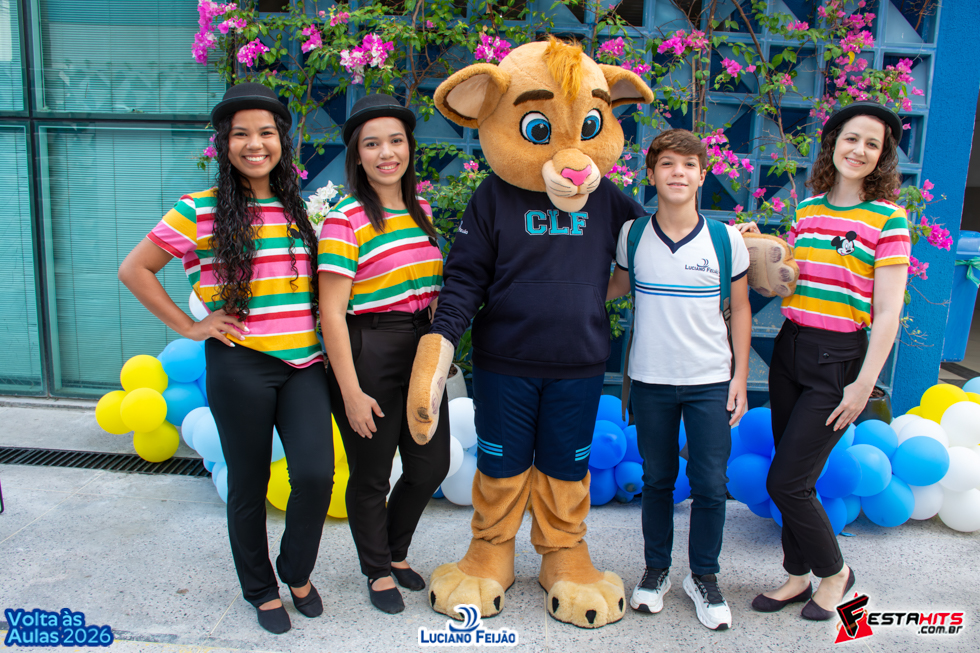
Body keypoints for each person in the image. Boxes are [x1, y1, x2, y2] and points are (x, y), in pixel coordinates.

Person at [118, 83, 333, 634]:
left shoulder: (298, 210)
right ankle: (260, 589)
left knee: (316, 474)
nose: (254, 144)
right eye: (241, 134)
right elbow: (135, 269)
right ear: (224, 143)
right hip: (241, 366)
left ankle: (296, 570)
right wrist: (190, 326)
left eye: (266, 133)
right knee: (249, 484)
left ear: (281, 141)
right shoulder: (198, 209)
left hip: (305, 366)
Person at [738, 101, 910, 620]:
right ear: (833, 143)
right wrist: (755, 246)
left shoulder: (888, 218)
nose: (859, 150)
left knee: (786, 482)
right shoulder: (809, 210)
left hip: (838, 361)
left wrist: (863, 384)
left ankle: (835, 574)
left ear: (881, 157)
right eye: (851, 138)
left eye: (872, 144)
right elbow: (788, 280)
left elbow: (888, 312)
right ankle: (796, 576)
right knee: (796, 478)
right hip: (790, 348)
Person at [606, 129, 751, 631]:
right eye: (667, 163)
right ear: (651, 174)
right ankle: (656, 571)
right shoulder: (632, 235)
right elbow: (616, 285)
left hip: (710, 380)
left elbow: (741, 309)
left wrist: (740, 377)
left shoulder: (725, 239)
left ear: (702, 176)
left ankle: (704, 577)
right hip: (650, 379)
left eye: (689, 165)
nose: (678, 173)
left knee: (711, 484)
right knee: (657, 480)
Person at [317, 94, 451, 615]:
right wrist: (350, 391)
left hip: (422, 346)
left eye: (395, 141)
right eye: (372, 144)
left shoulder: (422, 211)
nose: (386, 153)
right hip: (368, 347)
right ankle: (377, 568)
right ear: (357, 154)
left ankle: (394, 550)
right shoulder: (344, 219)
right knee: (372, 473)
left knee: (430, 465)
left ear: (409, 148)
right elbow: (332, 314)